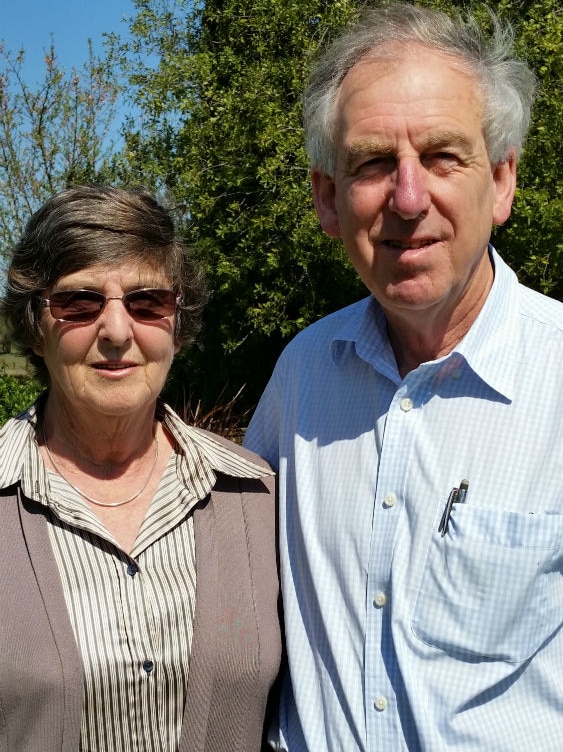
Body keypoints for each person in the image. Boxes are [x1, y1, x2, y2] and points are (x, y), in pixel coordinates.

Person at [243, 4, 563, 751]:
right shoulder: (300, 378)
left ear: (503, 181)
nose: (408, 199)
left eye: (444, 156)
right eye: (373, 163)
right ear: (327, 198)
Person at [0, 185, 281, 752]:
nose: (117, 332)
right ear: (35, 325)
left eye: (147, 302)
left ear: (178, 322)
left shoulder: (256, 497)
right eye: (78, 303)